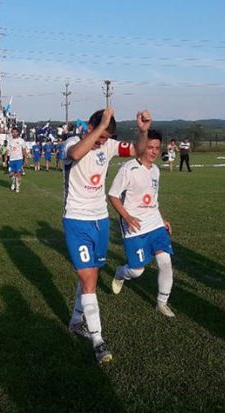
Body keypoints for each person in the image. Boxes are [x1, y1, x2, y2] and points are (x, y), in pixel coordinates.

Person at [63, 107, 151, 363]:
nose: (103, 142)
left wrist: (143, 131)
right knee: (88, 279)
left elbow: (138, 151)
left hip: (101, 220)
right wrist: (100, 128)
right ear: (90, 128)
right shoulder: (71, 142)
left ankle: (76, 320)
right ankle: (98, 340)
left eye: (106, 137)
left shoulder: (109, 145)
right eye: (100, 135)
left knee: (91, 275)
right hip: (76, 220)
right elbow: (75, 154)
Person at [109, 129, 175, 317]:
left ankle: (162, 303)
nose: (154, 152)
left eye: (157, 148)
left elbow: (153, 199)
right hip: (134, 226)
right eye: (150, 147)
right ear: (142, 147)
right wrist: (127, 217)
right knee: (137, 271)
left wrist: (161, 219)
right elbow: (113, 195)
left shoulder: (155, 170)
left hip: (155, 223)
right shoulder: (128, 169)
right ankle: (120, 273)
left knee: (165, 262)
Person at [7, 127, 28, 192]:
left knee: (18, 173)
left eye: (15, 132)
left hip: (19, 159)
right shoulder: (10, 141)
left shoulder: (21, 140)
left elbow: (24, 150)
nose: (14, 133)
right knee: (11, 174)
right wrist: (5, 158)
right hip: (12, 159)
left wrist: (25, 158)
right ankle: (13, 183)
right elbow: (8, 150)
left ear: (18, 132)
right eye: (13, 132)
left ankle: (17, 187)